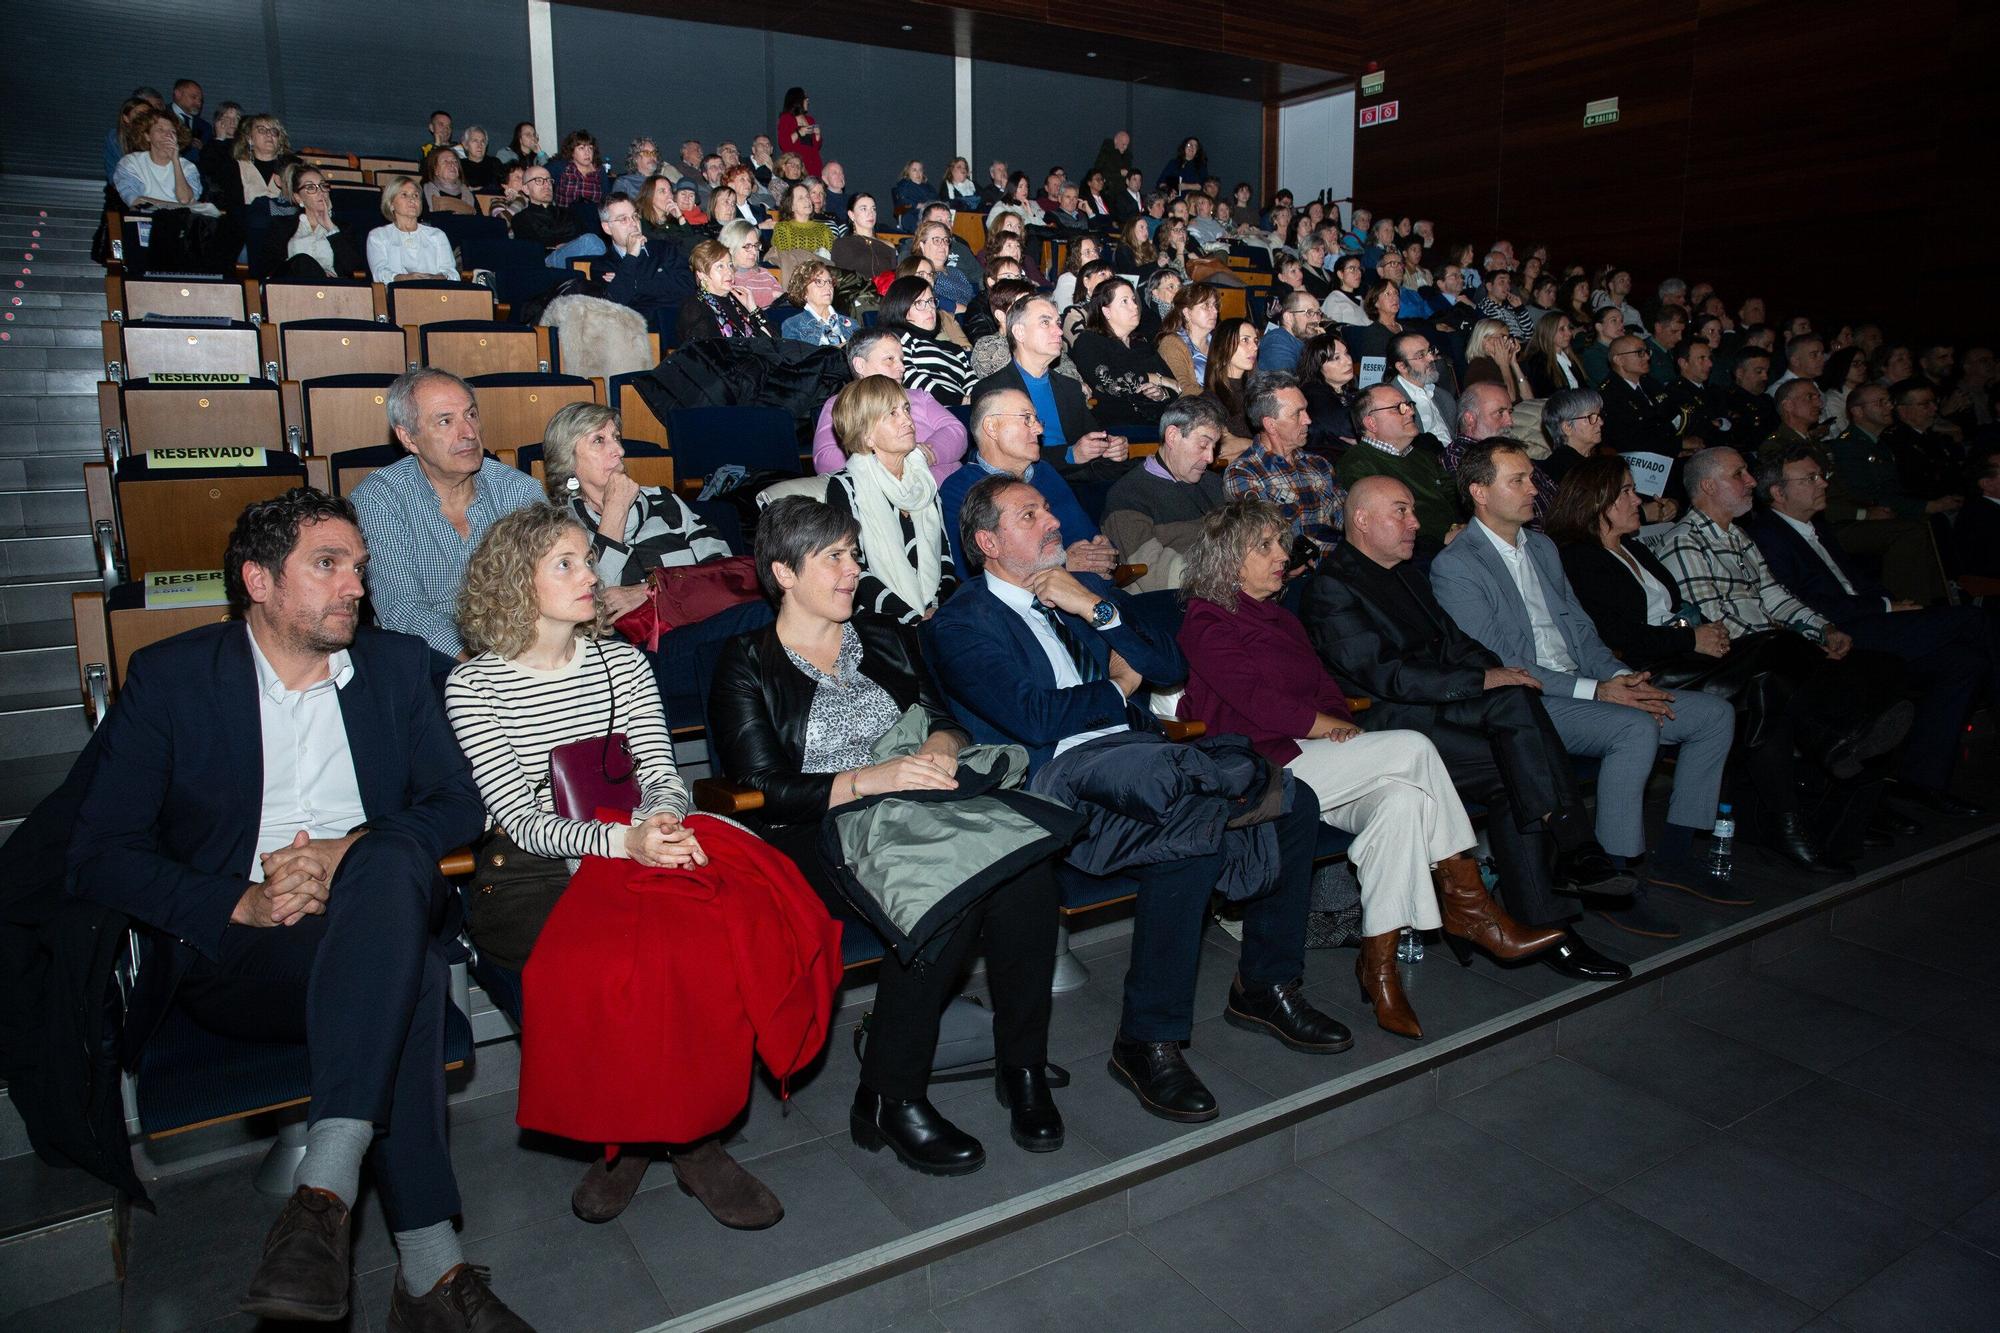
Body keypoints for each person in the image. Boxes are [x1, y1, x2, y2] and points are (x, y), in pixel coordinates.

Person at [68, 488, 527, 1329]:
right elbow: (99, 851)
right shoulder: (173, 678)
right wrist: (239, 898)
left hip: (371, 903)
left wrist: (334, 855)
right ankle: (427, 1274)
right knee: (415, 978)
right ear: (259, 580)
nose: (354, 584)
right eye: (328, 564)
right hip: (245, 953)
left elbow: (460, 804)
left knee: (390, 861)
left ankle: (324, 1197)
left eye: (358, 566)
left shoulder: (392, 667)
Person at [928, 474, 1349, 1120]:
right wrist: (1116, 690)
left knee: (1292, 797)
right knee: (1190, 831)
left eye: (1047, 509)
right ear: (987, 540)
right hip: (1058, 788)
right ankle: (1146, 1039)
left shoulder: (1077, 593)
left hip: (1143, 765)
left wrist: (1093, 606)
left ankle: (1265, 983)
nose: (1051, 522)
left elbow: (1169, 665)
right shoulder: (963, 621)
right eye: (1030, 514)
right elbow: (1034, 718)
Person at [446, 506, 790, 1230]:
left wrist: (656, 819)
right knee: (617, 964)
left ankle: (677, 1133)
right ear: (515, 581)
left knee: (705, 943)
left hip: (634, 840)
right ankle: (659, 1139)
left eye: (586, 560)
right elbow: (518, 817)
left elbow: (662, 769)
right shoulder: (473, 686)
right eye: (564, 563)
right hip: (530, 869)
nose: (590, 576)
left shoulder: (623, 661)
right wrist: (621, 844)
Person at [711, 497, 1063, 1172]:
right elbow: (762, 788)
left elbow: (947, 719)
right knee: (947, 889)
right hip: (814, 829)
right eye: (833, 558)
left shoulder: (883, 635)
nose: (852, 571)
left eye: (853, 553)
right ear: (783, 572)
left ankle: (1022, 1065)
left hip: (917, 806)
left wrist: (936, 745)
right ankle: (890, 1095)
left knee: (1025, 869)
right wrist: (872, 779)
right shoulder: (745, 661)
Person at [1179, 499, 1562, 1034]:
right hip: (1258, 764)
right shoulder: (1206, 618)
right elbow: (1256, 703)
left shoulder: (1282, 620)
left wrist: (1335, 723)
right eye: (1262, 546)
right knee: (1412, 748)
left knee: (1404, 803)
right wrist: (1332, 730)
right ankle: (1470, 905)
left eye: (1279, 544)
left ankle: (1379, 968)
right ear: (1226, 558)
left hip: (1313, 756)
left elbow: (1327, 692)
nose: (1280, 555)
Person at [1301, 477, 1634, 980]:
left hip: (1439, 709)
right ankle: (1572, 854)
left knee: (1516, 744)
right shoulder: (1332, 586)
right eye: (1401, 511)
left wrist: (1493, 670)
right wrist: (1481, 679)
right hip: (1386, 723)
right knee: (1514, 732)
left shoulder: (1409, 575)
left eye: (1413, 510)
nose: (1416, 523)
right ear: (1362, 520)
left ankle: (1550, 914)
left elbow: (1458, 643)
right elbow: (1383, 675)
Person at [1432, 442, 1737, 928]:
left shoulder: (1544, 548)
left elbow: (1581, 631)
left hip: (1582, 683)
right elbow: (1503, 664)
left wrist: (1619, 677)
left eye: (1532, 477)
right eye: (1519, 480)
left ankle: (1677, 851)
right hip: (1526, 702)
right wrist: (1598, 692)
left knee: (1713, 716)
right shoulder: (1457, 565)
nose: (1534, 488)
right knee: (1634, 729)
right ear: (1479, 492)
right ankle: (1613, 878)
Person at [1548, 453, 1840, 873]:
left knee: (1765, 688)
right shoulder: (1581, 559)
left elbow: (1672, 607)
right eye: (1627, 492)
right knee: (1775, 650)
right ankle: (1827, 741)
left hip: (1682, 656)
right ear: (1598, 501)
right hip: (1649, 666)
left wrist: (1701, 631)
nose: (1638, 500)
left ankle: (1680, 854)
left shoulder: (1632, 548)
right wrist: (1691, 638)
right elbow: (1617, 637)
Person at [1743, 445, 1993, 817]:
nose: (1823, 483)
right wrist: (1887, 607)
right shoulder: (1768, 536)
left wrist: (1891, 602)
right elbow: (1806, 603)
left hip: (1871, 621)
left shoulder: (1815, 526)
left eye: (1820, 475)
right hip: (1838, 632)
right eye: (1810, 478)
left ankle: (1921, 783)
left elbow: (1855, 581)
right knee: (1975, 620)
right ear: (1778, 493)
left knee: (1963, 662)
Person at [352, 370, 543, 661]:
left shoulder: (518, 491)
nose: (468, 433)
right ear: (409, 438)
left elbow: (553, 585)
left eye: (471, 415)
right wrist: (476, 663)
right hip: (427, 660)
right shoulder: (381, 498)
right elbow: (401, 608)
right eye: (446, 421)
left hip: (520, 649)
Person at [541, 403, 728, 620]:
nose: (619, 451)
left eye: (616, 437)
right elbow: (591, 608)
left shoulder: (664, 501)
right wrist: (615, 512)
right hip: (625, 646)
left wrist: (650, 592)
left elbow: (724, 572)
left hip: (695, 624)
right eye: (599, 440)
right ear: (568, 461)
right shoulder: (561, 528)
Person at [939, 388, 1118, 580]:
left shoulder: (1044, 471)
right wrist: (1063, 566)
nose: (1039, 429)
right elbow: (973, 573)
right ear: (991, 427)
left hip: (1095, 589)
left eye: (1036, 419)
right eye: (1026, 419)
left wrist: (1102, 548)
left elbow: (1084, 533)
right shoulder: (960, 488)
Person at [821, 376, 958, 622]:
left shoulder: (922, 479)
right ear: (866, 436)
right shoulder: (846, 486)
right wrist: (911, 618)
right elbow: (853, 570)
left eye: (905, 409)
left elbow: (945, 557)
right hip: (880, 621)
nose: (907, 420)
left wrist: (937, 608)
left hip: (936, 614)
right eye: (892, 414)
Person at [971, 294, 1129, 478]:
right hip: (1025, 485)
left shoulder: (1069, 387)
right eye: (1045, 323)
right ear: (1019, 332)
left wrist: (1112, 447)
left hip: (1083, 479)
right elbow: (1002, 458)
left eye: (1058, 323)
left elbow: (1093, 439)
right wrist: (1069, 455)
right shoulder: (991, 392)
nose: (1059, 332)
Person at [812, 328, 968, 483]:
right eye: (890, 359)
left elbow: (956, 431)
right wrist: (891, 459)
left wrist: (925, 454)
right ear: (860, 365)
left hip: (949, 487)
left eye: (901, 360)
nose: (901, 367)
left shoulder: (919, 396)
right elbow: (825, 460)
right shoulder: (841, 403)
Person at [1224, 373, 1345, 552]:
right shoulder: (1245, 473)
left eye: (1306, 410)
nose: (1308, 420)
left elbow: (1346, 521)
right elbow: (1272, 547)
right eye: (1297, 414)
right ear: (1271, 425)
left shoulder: (1319, 464)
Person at [1337, 381, 1462, 552]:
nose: (1410, 411)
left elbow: (1455, 496)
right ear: (1371, 423)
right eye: (1398, 408)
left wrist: (1462, 527)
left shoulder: (1422, 456)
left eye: (1408, 405)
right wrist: (1442, 538)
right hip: (1418, 554)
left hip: (1457, 542)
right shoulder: (1357, 464)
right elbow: (1382, 526)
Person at [1069, 279, 1180, 431]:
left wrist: (1161, 394)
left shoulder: (1142, 343)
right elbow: (1111, 383)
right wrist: (1156, 379)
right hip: (1116, 426)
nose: (1135, 306)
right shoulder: (1089, 341)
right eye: (1125, 301)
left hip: (1158, 424)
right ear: (1106, 311)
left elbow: (1174, 388)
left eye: (1134, 300)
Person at [592, 192, 695, 331]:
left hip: (680, 326)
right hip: (640, 335)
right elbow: (614, 305)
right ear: (607, 227)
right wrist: (631, 256)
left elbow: (688, 286)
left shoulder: (664, 249)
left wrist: (635, 283)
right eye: (623, 219)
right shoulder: (602, 265)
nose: (633, 223)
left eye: (635, 216)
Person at [254, 165, 365, 281]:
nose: (321, 192)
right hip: (291, 290)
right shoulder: (281, 226)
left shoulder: (343, 228)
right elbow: (267, 269)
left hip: (330, 290)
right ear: (298, 198)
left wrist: (330, 227)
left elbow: (353, 268)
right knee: (302, 261)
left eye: (323, 186)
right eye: (311, 187)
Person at [879, 275, 975, 406]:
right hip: (925, 411)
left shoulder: (954, 348)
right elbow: (909, 377)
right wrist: (959, 401)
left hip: (963, 412)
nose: (930, 308)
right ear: (901, 307)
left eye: (931, 301)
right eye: (919, 303)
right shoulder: (898, 338)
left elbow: (972, 383)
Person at [510, 163, 608, 269]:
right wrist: (565, 240)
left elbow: (582, 234)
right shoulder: (521, 218)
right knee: (589, 241)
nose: (546, 185)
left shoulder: (567, 213)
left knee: (593, 240)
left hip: (574, 257)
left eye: (549, 180)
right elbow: (534, 247)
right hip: (545, 262)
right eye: (539, 180)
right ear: (526, 189)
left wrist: (561, 243)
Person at [677, 238, 773, 344]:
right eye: (720, 266)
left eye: (730, 265)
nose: (729, 272)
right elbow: (703, 354)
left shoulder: (738, 301)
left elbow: (773, 343)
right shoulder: (695, 308)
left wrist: (753, 309)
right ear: (702, 275)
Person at [366, 176, 456, 284]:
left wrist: (434, 279)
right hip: (397, 294)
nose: (412, 199)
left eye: (416, 195)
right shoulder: (378, 236)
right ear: (391, 204)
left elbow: (452, 273)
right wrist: (405, 279)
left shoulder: (437, 235)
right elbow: (379, 274)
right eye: (404, 195)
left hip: (435, 294)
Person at [112, 108, 203, 211]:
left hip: (178, 222)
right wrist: (174, 206)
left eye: (172, 131)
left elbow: (185, 200)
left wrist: (175, 161)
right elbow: (135, 200)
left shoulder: (188, 167)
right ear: (147, 136)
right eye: (160, 129)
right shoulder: (130, 163)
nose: (168, 135)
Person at [1154, 282, 1220, 396]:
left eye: (1215, 305)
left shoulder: (1219, 342)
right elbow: (1183, 388)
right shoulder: (1172, 344)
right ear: (1187, 312)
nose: (1215, 311)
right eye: (1206, 306)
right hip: (1195, 409)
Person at [779, 259, 855, 347]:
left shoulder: (851, 323)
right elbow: (798, 359)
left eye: (829, 282)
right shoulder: (792, 326)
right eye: (819, 282)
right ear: (803, 292)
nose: (828, 287)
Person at [1255, 293, 1327, 374]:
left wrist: (1321, 346)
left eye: (1318, 313)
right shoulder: (1276, 343)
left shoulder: (1306, 340)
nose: (1317, 320)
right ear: (1288, 317)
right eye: (1309, 312)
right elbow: (1283, 384)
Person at [830, 191, 897, 278]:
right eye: (863, 209)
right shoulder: (842, 244)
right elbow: (842, 281)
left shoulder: (888, 246)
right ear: (851, 215)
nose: (870, 213)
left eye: (873, 209)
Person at [550, 130, 609, 207]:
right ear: (572, 152)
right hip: (564, 216)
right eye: (582, 148)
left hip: (592, 216)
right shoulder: (561, 167)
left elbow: (606, 200)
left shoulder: (599, 170)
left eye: (590, 148)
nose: (587, 153)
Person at [771, 182, 833, 255]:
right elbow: (784, 256)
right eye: (800, 198)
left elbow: (834, 257)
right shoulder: (783, 228)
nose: (807, 200)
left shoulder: (824, 229)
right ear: (791, 206)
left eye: (807, 196)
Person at [778, 87, 822, 176]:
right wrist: (798, 133)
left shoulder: (810, 120)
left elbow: (816, 147)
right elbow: (783, 144)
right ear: (797, 100)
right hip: (796, 168)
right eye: (805, 97)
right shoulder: (786, 119)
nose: (808, 100)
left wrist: (817, 135)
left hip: (813, 166)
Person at [418, 146, 474, 214]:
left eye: (455, 161)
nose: (452, 164)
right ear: (436, 170)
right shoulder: (423, 192)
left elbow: (480, 221)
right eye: (446, 161)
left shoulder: (468, 193)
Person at [457, 125, 503, 192]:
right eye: (475, 141)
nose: (479, 145)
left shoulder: (495, 163)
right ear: (465, 145)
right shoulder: (459, 165)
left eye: (483, 141)